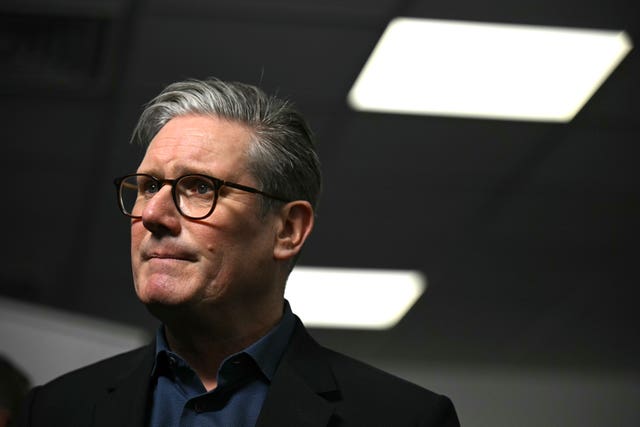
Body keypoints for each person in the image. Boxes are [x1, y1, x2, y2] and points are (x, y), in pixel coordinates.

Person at [17, 78, 459, 426]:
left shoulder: (404, 419)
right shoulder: (52, 412)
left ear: (287, 229)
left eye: (199, 187)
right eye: (148, 186)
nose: (153, 214)